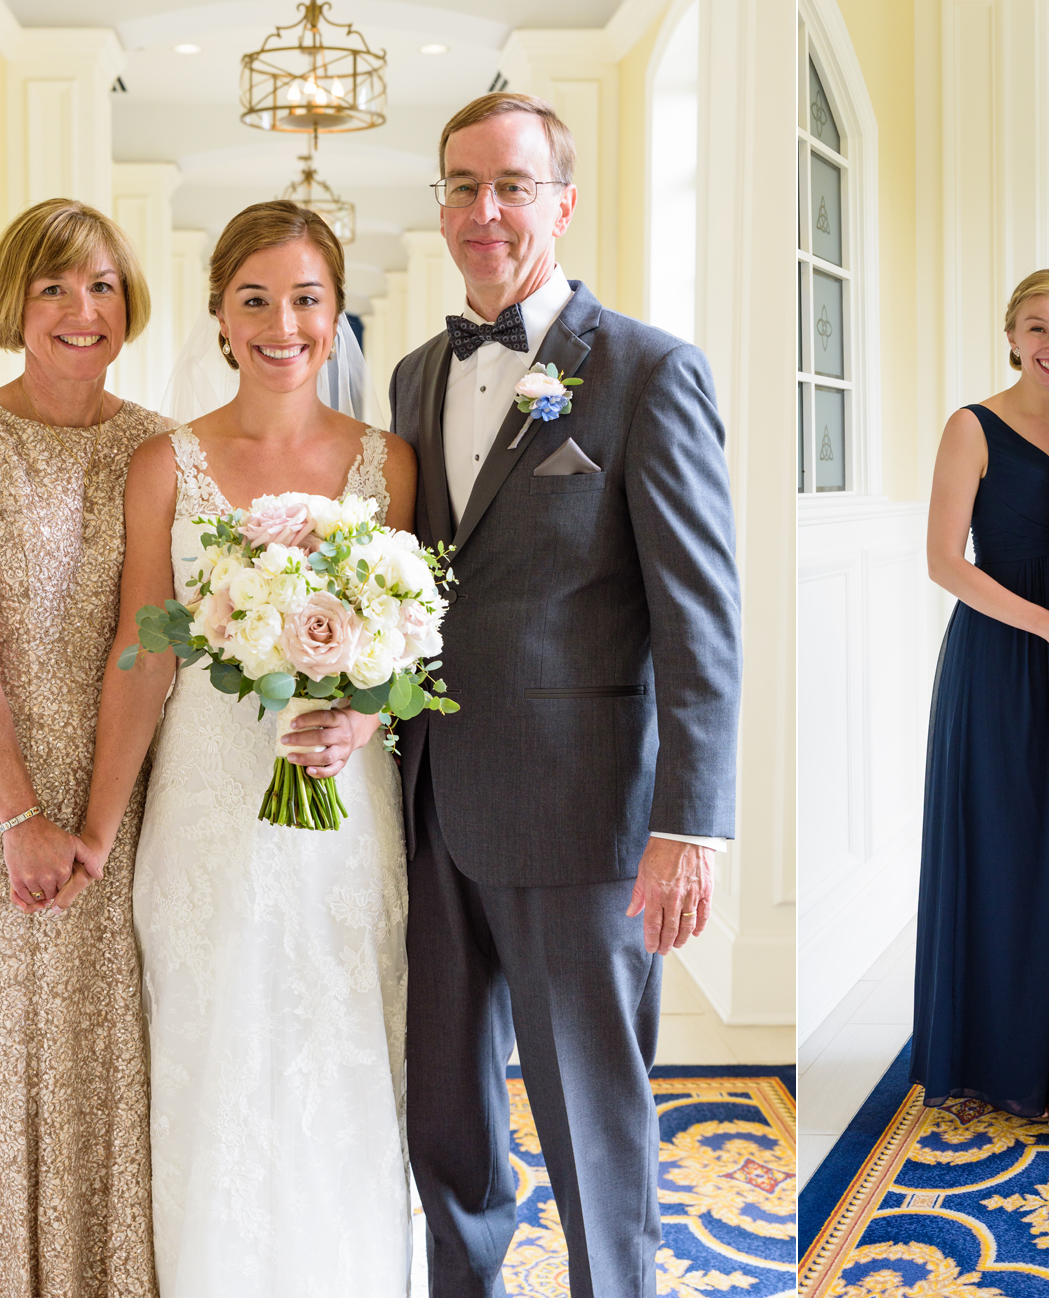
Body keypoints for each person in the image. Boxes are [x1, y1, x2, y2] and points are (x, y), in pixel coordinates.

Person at [387, 93, 741, 1298]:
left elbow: (700, 618)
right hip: (428, 804)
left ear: (562, 202)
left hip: (579, 814)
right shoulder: (412, 373)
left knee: (592, 1116)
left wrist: (686, 824)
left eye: (511, 186)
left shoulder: (646, 372)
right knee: (444, 1111)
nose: (482, 212)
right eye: (460, 185)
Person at [75, 200, 419, 1294]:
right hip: (208, 801)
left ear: (334, 314)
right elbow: (142, 649)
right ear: (219, 316)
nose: (283, 323)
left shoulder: (386, 463)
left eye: (306, 299)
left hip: (342, 798)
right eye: (255, 299)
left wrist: (365, 711)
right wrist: (95, 824)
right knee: (213, 1052)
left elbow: (412, 644)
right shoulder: (163, 463)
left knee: (343, 1043)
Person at [0, 198, 165, 1295]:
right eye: (55, 286)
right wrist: (20, 816)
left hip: (125, 785)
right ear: (14, 300)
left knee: (113, 1053)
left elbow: (148, 640)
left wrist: (97, 824)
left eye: (101, 285)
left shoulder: (157, 444)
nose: (80, 309)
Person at [911, 269, 1049, 1118]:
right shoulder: (972, 425)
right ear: (1012, 335)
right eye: (1037, 328)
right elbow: (946, 561)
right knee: (1001, 841)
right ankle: (989, 1055)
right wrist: (1043, 623)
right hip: (1000, 654)